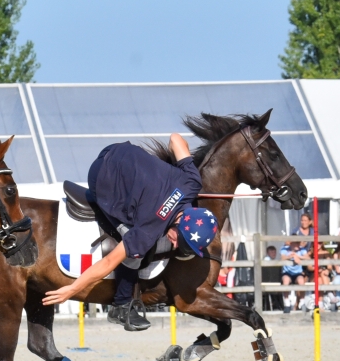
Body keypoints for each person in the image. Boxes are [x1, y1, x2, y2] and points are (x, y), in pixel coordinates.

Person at [41, 134, 217, 323]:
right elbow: (109, 262)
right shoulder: (149, 229)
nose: (174, 245)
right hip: (101, 175)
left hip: (118, 149)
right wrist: (72, 289)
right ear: (180, 221)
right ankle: (122, 304)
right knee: (134, 254)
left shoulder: (191, 182)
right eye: (178, 240)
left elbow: (175, 139)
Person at [280, 240, 307, 312]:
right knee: (285, 281)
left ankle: (302, 302)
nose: (298, 244)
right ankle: (287, 303)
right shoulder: (284, 249)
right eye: (296, 243)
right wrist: (289, 256)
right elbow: (282, 258)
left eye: (299, 243)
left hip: (298, 273)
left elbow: (307, 257)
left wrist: (298, 256)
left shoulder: (302, 249)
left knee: (301, 281)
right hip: (287, 272)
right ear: (291, 244)